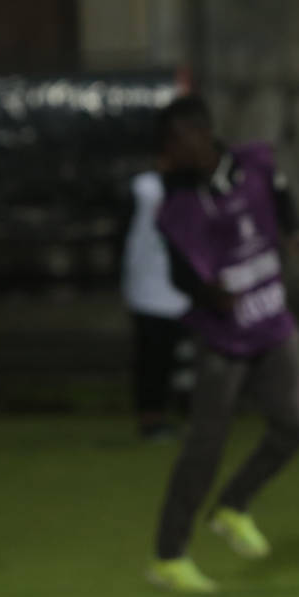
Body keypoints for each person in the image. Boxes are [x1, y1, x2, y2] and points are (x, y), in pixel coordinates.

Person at [146, 95, 299, 593]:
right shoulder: (178, 205)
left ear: (199, 135)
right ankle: (168, 555)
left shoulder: (256, 162)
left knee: (296, 426)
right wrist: (207, 293)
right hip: (222, 338)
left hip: (273, 322)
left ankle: (233, 505)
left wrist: (296, 233)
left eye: (172, 145)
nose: (167, 157)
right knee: (205, 446)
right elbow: (180, 273)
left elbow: (281, 198)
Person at [121, 164, 193, 440]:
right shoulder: (144, 189)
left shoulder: (198, 186)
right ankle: (151, 419)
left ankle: (189, 413)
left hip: (188, 285)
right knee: (153, 357)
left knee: (186, 356)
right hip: (148, 286)